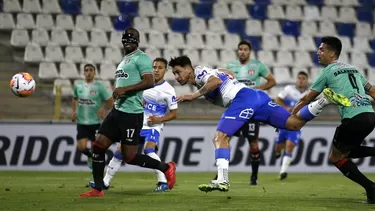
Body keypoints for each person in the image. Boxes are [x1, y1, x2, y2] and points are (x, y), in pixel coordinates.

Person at [169, 55, 350, 192]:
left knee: (220, 137)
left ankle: (222, 180)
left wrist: (193, 96)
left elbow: (215, 81)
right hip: (257, 97)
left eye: (178, 71)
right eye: (174, 74)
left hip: (242, 99)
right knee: (293, 124)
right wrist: (223, 74)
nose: (176, 77)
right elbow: (227, 73)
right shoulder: (207, 72)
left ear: (188, 68)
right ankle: (324, 100)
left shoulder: (200, 72)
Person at [79, 28, 176, 197]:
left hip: (132, 114)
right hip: (117, 111)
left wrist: (125, 89)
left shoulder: (142, 58)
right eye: (125, 39)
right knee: (98, 146)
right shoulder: (124, 60)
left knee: (129, 157)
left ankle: (166, 167)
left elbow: (149, 81)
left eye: (132, 39)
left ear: (138, 41)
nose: (128, 42)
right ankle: (98, 188)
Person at [292, 36, 375, 204]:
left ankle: (371, 188)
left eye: (322, 49)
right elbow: (373, 92)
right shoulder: (354, 70)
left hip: (352, 118)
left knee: (336, 158)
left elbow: (308, 97)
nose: (318, 52)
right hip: (369, 116)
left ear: (332, 53)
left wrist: (292, 115)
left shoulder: (328, 71)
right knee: (348, 151)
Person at [224, 40, 276, 185]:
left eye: (245, 49)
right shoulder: (230, 66)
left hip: (251, 111)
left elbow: (272, 81)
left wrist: (259, 90)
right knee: (224, 139)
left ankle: (254, 177)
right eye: (240, 49)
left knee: (253, 143)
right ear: (237, 51)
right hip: (234, 109)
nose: (242, 51)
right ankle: (220, 175)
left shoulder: (258, 65)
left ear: (249, 51)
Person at [72, 64, 113, 169]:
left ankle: (97, 172)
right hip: (82, 122)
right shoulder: (78, 86)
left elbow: (110, 101)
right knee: (81, 148)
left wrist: (104, 109)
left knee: (96, 149)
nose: (88, 72)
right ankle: (91, 156)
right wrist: (74, 111)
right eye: (86, 70)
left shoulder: (99, 87)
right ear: (84, 73)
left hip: (95, 123)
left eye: (91, 70)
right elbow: (75, 98)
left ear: (95, 73)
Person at [274, 71, 309, 180]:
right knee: (279, 146)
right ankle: (278, 151)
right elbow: (278, 99)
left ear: (307, 81)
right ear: (296, 80)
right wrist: (285, 108)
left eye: (303, 78)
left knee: (289, 146)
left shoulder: (309, 93)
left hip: (296, 124)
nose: (301, 80)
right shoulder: (289, 89)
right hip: (284, 122)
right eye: (299, 78)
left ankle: (283, 171)